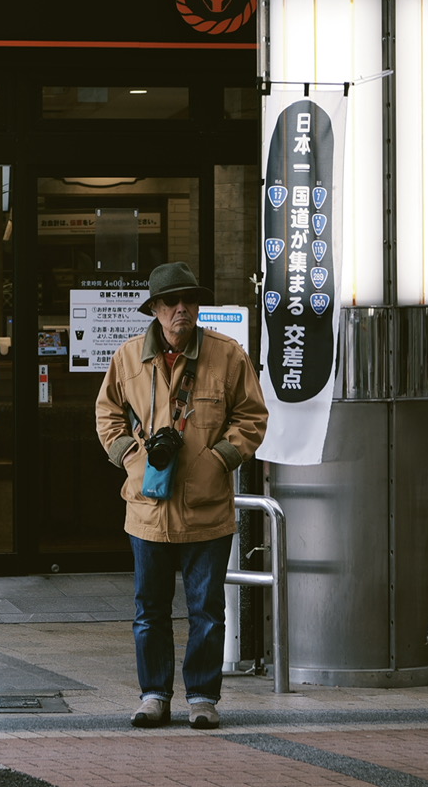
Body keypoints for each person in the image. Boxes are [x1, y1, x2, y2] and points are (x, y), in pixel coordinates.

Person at [95, 261, 268, 730]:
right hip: (147, 507)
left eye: (189, 300)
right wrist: (132, 458)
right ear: (155, 308)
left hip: (207, 507)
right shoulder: (129, 357)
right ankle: (153, 695)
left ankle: (203, 698)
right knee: (149, 611)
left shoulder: (228, 355)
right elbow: (108, 414)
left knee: (206, 611)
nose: (182, 309)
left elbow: (252, 417)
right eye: (171, 302)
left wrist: (218, 460)